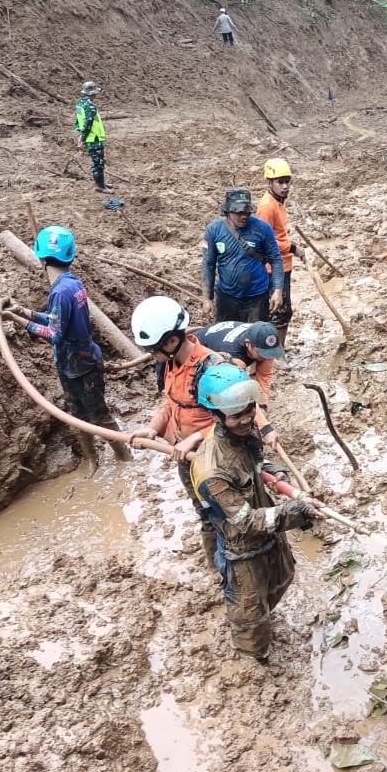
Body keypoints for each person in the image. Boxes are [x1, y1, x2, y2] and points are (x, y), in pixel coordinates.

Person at [190, 363, 320, 660]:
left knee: (282, 580)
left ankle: (264, 615)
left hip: (270, 539)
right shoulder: (212, 471)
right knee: (250, 623)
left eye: (250, 409)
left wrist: (274, 473)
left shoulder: (245, 435)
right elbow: (245, 522)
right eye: (237, 415)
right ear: (216, 416)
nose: (247, 418)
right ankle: (254, 661)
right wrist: (296, 511)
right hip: (243, 552)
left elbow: (256, 464)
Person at [2, 225, 130, 475]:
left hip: (81, 366)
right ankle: (94, 459)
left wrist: (17, 321)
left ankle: (124, 456)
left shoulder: (60, 291)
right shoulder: (72, 283)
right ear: (71, 255)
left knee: (99, 415)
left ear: (40, 257)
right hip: (74, 363)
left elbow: (54, 333)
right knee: (76, 414)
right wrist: (24, 311)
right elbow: (55, 319)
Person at [130, 296, 223, 566]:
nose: (151, 356)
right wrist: (152, 429)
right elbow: (171, 402)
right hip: (186, 455)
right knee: (204, 510)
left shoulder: (212, 368)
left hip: (214, 456)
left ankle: (233, 565)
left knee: (225, 511)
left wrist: (195, 438)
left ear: (171, 341)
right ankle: (214, 564)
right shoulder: (170, 363)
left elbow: (235, 421)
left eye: (153, 350)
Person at [154, 319, 284, 447]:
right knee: (209, 403)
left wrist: (262, 405)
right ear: (248, 344)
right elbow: (240, 395)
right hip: (197, 352)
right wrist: (265, 428)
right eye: (262, 354)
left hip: (209, 345)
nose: (267, 357)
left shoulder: (261, 342)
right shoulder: (228, 359)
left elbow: (264, 377)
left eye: (270, 354)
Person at [202, 187, 285, 325]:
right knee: (227, 338)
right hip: (226, 297)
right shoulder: (214, 230)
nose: (244, 216)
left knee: (255, 339)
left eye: (247, 212)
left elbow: (276, 260)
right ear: (227, 211)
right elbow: (208, 264)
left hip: (257, 297)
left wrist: (278, 290)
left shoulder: (263, 228)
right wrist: (207, 297)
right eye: (239, 212)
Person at [256, 159, 302, 348]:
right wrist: (292, 248)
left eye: (287, 181)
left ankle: (277, 349)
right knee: (278, 311)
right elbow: (266, 241)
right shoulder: (267, 207)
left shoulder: (278, 202)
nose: (284, 186)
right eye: (279, 182)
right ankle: (274, 353)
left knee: (283, 310)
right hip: (273, 267)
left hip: (283, 264)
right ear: (270, 182)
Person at [74, 82, 110, 192]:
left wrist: (81, 135)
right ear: (93, 93)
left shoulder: (80, 103)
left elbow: (79, 122)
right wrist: (83, 138)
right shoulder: (90, 106)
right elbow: (88, 124)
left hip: (90, 137)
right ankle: (100, 186)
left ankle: (101, 183)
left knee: (97, 161)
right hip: (94, 138)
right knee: (98, 162)